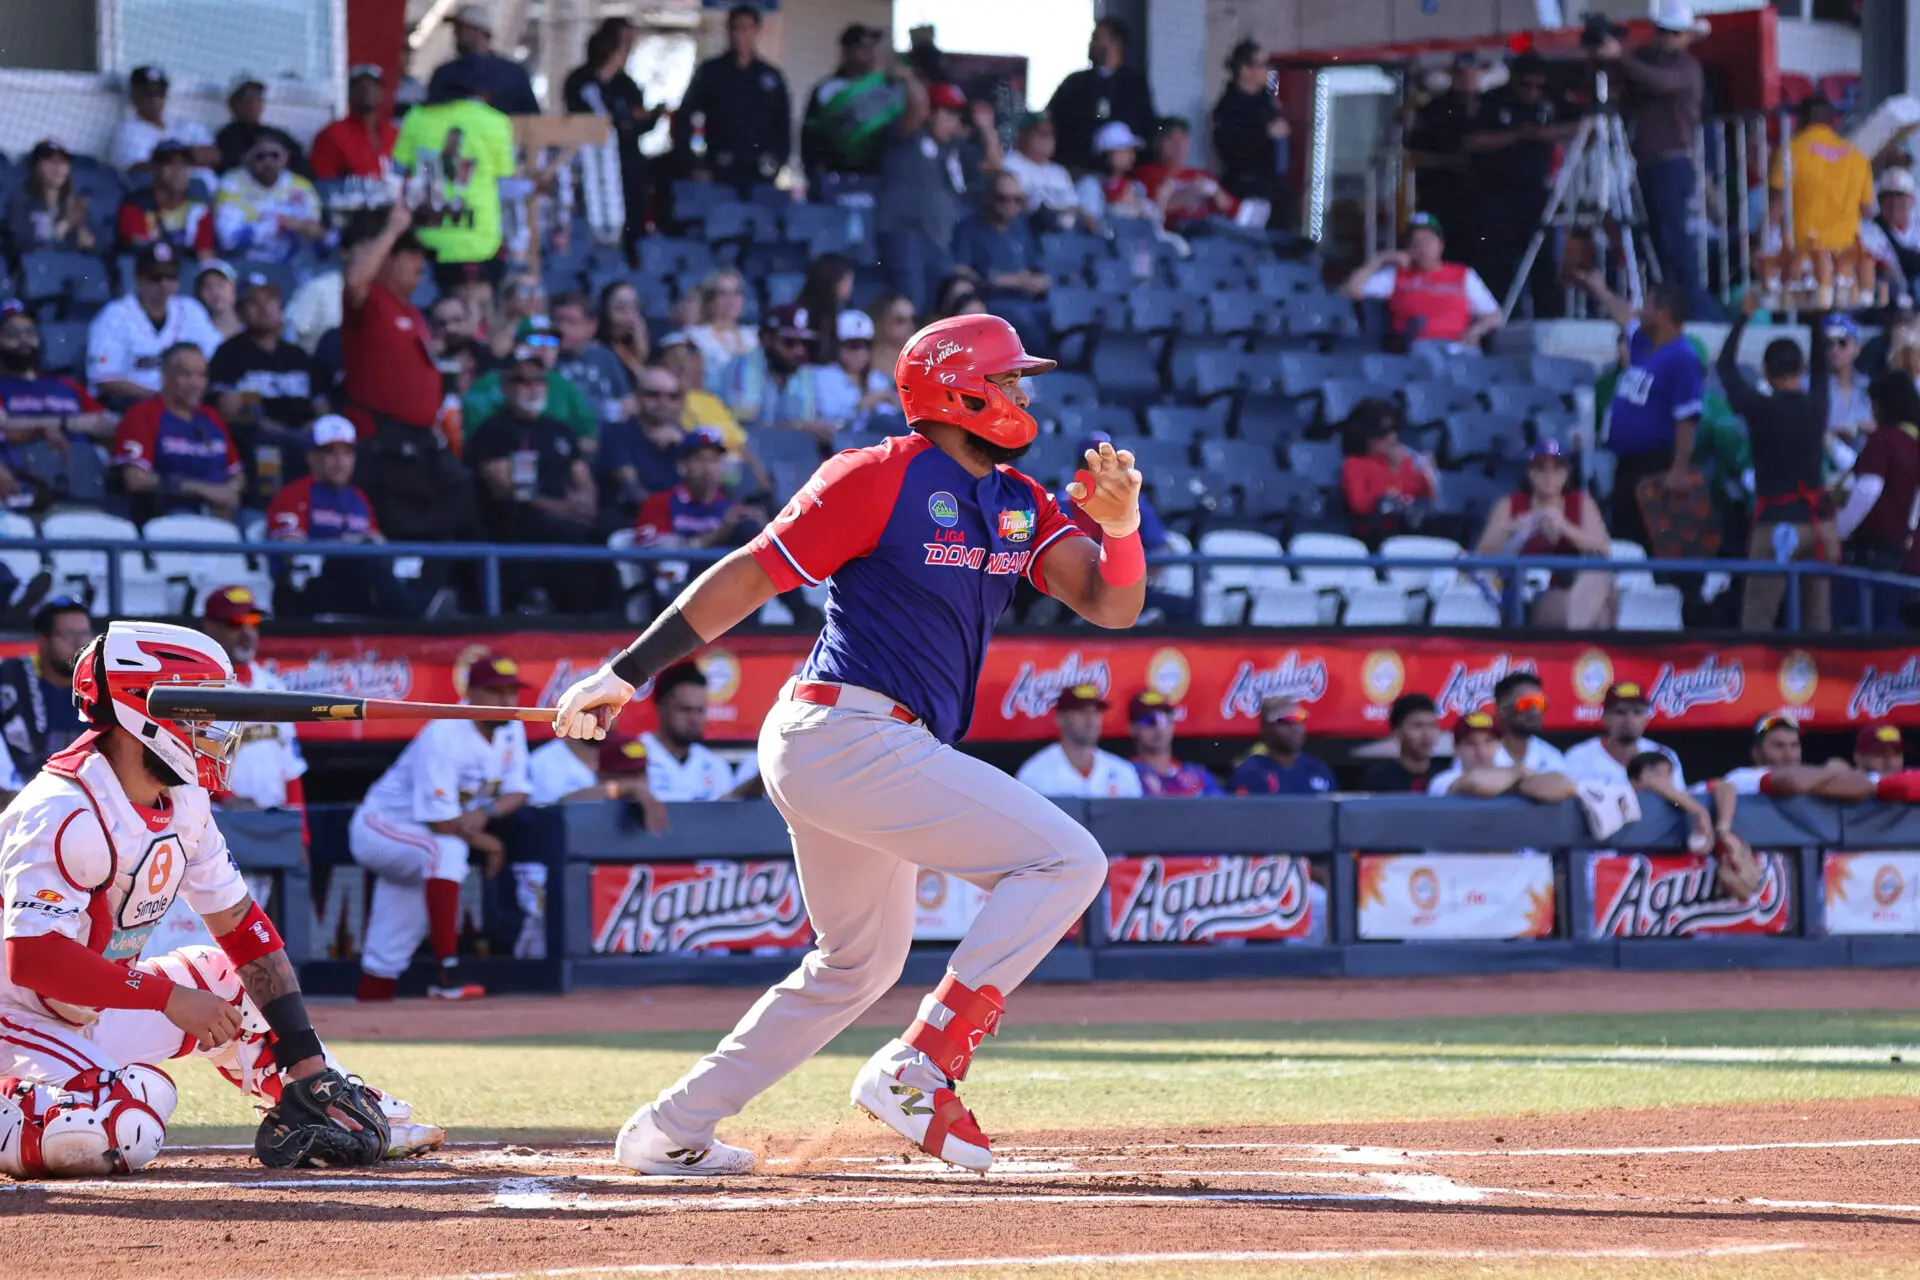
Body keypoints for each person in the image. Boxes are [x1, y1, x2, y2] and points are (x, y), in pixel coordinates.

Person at [547, 312, 1145, 1177]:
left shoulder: (1019, 500)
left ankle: (670, 1128)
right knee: (1068, 862)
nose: (1024, 392)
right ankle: (922, 1062)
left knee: (855, 965)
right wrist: (627, 672)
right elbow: (753, 571)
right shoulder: (878, 474)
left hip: (863, 746)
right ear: (958, 387)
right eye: (1010, 377)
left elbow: (1110, 604)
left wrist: (1121, 529)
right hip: (844, 730)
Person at [0, 620, 427, 1177]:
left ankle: (326, 1098)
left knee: (226, 974)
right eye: (199, 708)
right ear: (141, 711)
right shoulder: (61, 809)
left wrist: (307, 1059)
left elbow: (242, 928)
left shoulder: (186, 801)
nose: (214, 725)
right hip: (14, 1015)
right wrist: (167, 998)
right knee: (128, 1125)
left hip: (86, 1011)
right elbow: (33, 959)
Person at [350, 651, 531, 1002]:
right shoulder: (444, 732)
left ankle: (371, 1009)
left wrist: (485, 814)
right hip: (381, 828)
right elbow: (440, 821)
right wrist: (488, 843)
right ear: (471, 692)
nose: (508, 701)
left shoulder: (512, 728)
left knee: (387, 955)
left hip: (420, 840)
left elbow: (518, 791)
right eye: (497, 692)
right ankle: (447, 972)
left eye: (512, 691)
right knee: (446, 850)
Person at [341, 205, 477, 565]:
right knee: (397, 526)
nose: (420, 263)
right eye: (410, 254)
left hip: (419, 442)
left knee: (458, 497)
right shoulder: (371, 302)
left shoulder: (413, 312)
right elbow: (354, 281)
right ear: (387, 258)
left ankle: (437, 592)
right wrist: (390, 230)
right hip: (381, 441)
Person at [1717, 295, 1837, 632]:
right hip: (1818, 527)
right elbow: (1822, 367)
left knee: (1757, 620)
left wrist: (1742, 317)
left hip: (1775, 524)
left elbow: (1725, 367)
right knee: (1818, 623)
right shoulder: (1817, 405)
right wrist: (1814, 320)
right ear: (1800, 370)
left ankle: (1758, 685)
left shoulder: (1759, 407)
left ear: (1767, 374)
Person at [1594, 1, 1717, 320]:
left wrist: (1619, 56)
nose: (1666, 39)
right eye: (1663, 32)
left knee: (1673, 242)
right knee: (1658, 243)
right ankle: (1673, 310)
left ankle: (1698, 314)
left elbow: (1662, 83)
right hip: (1649, 165)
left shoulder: (1688, 68)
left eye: (1673, 33)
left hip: (1671, 164)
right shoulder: (1648, 64)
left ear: (1688, 36)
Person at [469, 348, 605, 609]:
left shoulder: (559, 429)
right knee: (555, 529)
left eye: (538, 380)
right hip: (520, 517)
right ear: (505, 386)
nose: (531, 387)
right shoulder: (493, 430)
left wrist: (586, 505)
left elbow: (583, 477)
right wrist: (562, 509)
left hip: (568, 512)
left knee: (609, 529)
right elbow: (504, 488)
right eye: (522, 380)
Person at [1580, 276, 1702, 549]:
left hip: (1656, 466)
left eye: (1647, 304)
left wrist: (1679, 469)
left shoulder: (1682, 358)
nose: (1639, 310)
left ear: (1662, 313)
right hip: (1627, 464)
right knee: (1625, 538)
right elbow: (1624, 316)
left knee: (1650, 542)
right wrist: (1599, 288)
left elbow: (1687, 419)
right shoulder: (1644, 346)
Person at [265, 415, 411, 617]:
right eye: (330, 453)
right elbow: (291, 551)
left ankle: (414, 616)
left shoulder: (358, 499)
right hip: (305, 589)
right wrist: (345, 544)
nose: (340, 462)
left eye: (348, 453)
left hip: (356, 586)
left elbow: (378, 542)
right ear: (312, 457)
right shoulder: (294, 494)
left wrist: (363, 544)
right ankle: (414, 616)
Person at [1465, 53, 1572, 313]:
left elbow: (1584, 124)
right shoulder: (1493, 100)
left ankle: (1548, 322)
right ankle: (1497, 322)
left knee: (1545, 263)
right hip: (1498, 193)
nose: (1533, 92)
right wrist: (1517, 136)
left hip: (1537, 193)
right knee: (1497, 265)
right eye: (1527, 85)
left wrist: (1548, 134)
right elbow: (1472, 141)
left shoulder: (1553, 100)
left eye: (1539, 86)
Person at [394, 65, 516, 293]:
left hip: (425, 242)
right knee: (475, 317)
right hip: (479, 243)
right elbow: (505, 184)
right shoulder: (496, 121)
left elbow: (396, 172)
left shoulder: (417, 116)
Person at [1475, 440, 1615, 628]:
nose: (1549, 476)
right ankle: (1581, 645)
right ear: (1530, 472)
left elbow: (1603, 548)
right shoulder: (1511, 504)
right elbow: (1483, 553)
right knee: (1596, 614)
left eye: (1556, 469)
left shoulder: (1581, 503)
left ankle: (1581, 640)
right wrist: (1512, 529)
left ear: (1566, 473)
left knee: (1600, 581)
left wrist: (1565, 527)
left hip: (1576, 585)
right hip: (1531, 594)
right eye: (1541, 469)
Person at [197, 586, 306, 822]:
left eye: (253, 621)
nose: (247, 632)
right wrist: (226, 799)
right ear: (210, 627)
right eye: (235, 623)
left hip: (276, 821)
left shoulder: (275, 687)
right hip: (221, 824)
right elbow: (188, 765)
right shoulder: (196, 690)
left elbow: (292, 773)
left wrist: (302, 838)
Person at [111, 343, 244, 522]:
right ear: (165, 377)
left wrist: (230, 492)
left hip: (219, 512)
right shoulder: (142, 415)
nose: (196, 383)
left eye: (201, 375)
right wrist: (204, 491)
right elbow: (136, 479)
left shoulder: (211, 417)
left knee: (257, 523)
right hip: (168, 514)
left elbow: (236, 473)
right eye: (186, 375)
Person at [564, 17, 663, 252]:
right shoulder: (579, 80)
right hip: (593, 168)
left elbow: (639, 124)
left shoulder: (627, 85)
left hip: (627, 166)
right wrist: (623, 120)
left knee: (632, 224)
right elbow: (584, 121)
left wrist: (650, 117)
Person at [876, 73, 972, 316]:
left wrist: (982, 125)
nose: (954, 122)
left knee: (940, 311)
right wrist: (906, 74)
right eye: (948, 114)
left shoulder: (950, 149)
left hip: (938, 241)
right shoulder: (907, 135)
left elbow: (994, 163)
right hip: (904, 236)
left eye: (957, 116)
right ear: (930, 112)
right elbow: (917, 108)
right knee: (912, 307)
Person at [1767, 94, 1874, 307]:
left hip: (1803, 261)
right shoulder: (1857, 157)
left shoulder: (1791, 151)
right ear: (1832, 121)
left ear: (1800, 121)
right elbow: (1868, 210)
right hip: (1845, 261)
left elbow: (1776, 206)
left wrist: (1762, 246)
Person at [87, 243, 223, 406]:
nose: (164, 285)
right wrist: (161, 399)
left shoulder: (191, 310)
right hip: (132, 406)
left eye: (171, 277)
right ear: (138, 278)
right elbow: (104, 378)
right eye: (155, 277)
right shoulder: (114, 315)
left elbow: (218, 357)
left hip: (187, 405)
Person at [671, 4, 791, 189]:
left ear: (757, 31)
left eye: (746, 28)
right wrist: (693, 163)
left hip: (759, 172)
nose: (740, 35)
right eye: (735, 28)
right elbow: (684, 116)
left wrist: (775, 164)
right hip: (719, 168)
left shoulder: (771, 77)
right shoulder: (711, 72)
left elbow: (783, 126)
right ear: (728, 31)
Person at [1342, 213, 1502, 349]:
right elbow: (1350, 290)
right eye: (1416, 242)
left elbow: (1494, 315)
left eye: (1428, 241)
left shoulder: (1463, 274)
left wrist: (1476, 331)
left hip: (1458, 346)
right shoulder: (1396, 274)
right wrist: (1380, 260)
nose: (1422, 248)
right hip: (1416, 349)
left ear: (1440, 245)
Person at [1835, 374, 1920, 617]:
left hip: (1876, 551)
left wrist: (1839, 530)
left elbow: (1868, 489)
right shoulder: (1914, 441)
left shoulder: (1885, 440)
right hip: (1908, 552)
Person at [208, 273, 324, 444]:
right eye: (254, 302)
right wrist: (264, 424)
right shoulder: (228, 354)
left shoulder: (299, 356)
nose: (264, 308)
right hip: (255, 443)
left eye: (270, 300)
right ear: (239, 312)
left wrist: (309, 429)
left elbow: (322, 408)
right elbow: (227, 409)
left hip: (304, 443)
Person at [463, 317, 596, 446]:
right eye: (535, 340)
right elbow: (472, 432)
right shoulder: (490, 382)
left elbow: (588, 435)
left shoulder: (565, 387)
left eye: (551, 341)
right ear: (516, 346)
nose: (544, 348)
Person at [801, 23, 905, 187]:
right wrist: (814, 176)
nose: (870, 54)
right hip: (834, 177)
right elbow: (809, 137)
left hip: (875, 178)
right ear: (847, 51)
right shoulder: (827, 89)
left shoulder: (884, 89)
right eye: (863, 48)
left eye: (872, 48)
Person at [0, 597, 91, 782]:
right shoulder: (10, 679)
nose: (79, 643)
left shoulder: (104, 685)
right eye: (67, 634)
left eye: (84, 633)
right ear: (42, 640)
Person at [1046, 18, 1156, 170]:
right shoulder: (1075, 82)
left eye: (1097, 38)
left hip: (1123, 173)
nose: (1092, 44)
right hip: (1078, 167)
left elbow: (1145, 126)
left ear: (1116, 43)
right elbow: (1053, 119)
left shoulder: (1135, 85)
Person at [0, 303, 117, 445]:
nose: (24, 339)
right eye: (13, 334)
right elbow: (4, 427)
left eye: (30, 332)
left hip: (81, 460)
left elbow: (107, 423)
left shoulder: (68, 386)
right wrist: (66, 423)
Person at [635, 425, 764, 552]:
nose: (707, 468)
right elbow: (653, 552)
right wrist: (719, 533)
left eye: (714, 460)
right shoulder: (658, 504)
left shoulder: (733, 509)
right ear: (682, 464)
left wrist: (764, 529)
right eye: (700, 459)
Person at [640, 663, 754, 801]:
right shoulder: (632, 760)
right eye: (685, 709)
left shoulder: (716, 766)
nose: (694, 719)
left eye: (700, 710)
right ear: (660, 706)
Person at [720, 305, 832, 439]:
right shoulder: (745, 364)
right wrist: (799, 427)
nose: (799, 350)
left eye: (804, 344)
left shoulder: (801, 370)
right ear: (766, 339)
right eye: (789, 342)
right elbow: (746, 427)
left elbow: (805, 419)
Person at [1404, 54, 1481, 248]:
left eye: (1472, 74)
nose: (1467, 80)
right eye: (1461, 74)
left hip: (1481, 199)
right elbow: (1414, 157)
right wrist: (1449, 161)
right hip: (1441, 195)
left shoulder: (1488, 107)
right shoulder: (1434, 110)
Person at [213, 133, 324, 264]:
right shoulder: (232, 184)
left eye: (275, 156)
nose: (268, 162)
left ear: (286, 157)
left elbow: (313, 230)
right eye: (260, 156)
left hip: (291, 263)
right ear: (245, 158)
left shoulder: (302, 187)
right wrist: (279, 224)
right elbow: (228, 239)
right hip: (244, 262)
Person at [1014, 685, 1142, 798]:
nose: (1090, 719)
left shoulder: (1123, 772)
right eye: (1082, 712)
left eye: (1095, 712)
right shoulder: (1035, 773)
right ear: (1060, 718)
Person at [1340, 399, 1436, 546]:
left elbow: (1423, 495)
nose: (1392, 438)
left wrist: (1426, 470)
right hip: (1374, 534)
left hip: (1406, 531)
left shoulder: (1405, 462)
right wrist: (1389, 497)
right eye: (1383, 433)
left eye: (1393, 431)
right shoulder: (1355, 464)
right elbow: (1359, 504)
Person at [1427, 708, 1576, 802]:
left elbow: (1565, 786)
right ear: (1456, 748)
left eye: (1488, 742)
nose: (1481, 751)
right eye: (1471, 743)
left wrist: (1521, 780)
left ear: (1499, 744)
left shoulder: (1510, 776)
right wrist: (1519, 773)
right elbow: (1476, 783)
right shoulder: (1442, 780)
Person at [1211, 39, 1289, 217]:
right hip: (1245, 188)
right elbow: (1229, 147)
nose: (1267, 71)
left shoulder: (1268, 102)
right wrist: (1264, 134)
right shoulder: (1229, 106)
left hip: (1275, 189)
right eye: (1262, 65)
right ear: (1245, 70)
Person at [1561, 681, 1685, 788]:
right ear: (1605, 717)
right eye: (1620, 712)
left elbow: (1678, 805)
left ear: (1646, 719)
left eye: (1637, 712)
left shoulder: (1665, 755)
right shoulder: (1578, 757)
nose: (1629, 719)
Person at [427, 3, 540, 116]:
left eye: (461, 28)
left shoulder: (513, 74)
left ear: (479, 30)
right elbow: (430, 114)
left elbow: (532, 118)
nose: (456, 33)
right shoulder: (444, 73)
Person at [110, 65, 218, 178]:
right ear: (134, 96)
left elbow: (215, 155)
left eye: (160, 93)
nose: (155, 99)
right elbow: (134, 169)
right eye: (148, 94)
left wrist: (172, 159)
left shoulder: (183, 125)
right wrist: (187, 158)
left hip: (207, 191)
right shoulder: (128, 131)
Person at [115, 138, 217, 257]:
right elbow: (136, 249)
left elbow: (205, 256)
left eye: (185, 164)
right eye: (170, 164)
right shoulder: (136, 205)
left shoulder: (198, 210)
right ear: (155, 168)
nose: (179, 171)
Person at [550, 291, 632, 435]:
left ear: (591, 326)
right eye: (557, 320)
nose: (561, 329)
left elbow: (627, 402)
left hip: (609, 437)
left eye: (571, 322)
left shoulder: (606, 357)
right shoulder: (544, 358)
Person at [1135, 117, 1238, 231]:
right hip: (1173, 235)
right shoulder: (1146, 174)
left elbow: (1235, 211)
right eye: (1171, 139)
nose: (1178, 146)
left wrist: (1216, 193)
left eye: (1183, 139)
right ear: (1158, 143)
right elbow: (1145, 214)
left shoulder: (1201, 175)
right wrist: (1183, 198)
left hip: (1208, 232)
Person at [1229, 695, 1335, 795]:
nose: (1294, 727)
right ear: (1265, 728)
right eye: (1285, 720)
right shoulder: (1249, 773)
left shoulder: (1319, 771)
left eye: (1300, 718)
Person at [4, 138, 93, 255]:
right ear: (36, 166)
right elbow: (26, 248)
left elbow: (87, 249)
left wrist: (82, 232)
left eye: (63, 162)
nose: (58, 168)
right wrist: (65, 225)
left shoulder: (72, 205)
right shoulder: (20, 202)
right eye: (51, 161)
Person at [309, 64, 397, 182]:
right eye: (359, 85)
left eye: (374, 84)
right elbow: (324, 184)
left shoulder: (394, 134)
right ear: (348, 92)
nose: (367, 89)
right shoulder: (332, 134)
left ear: (382, 92)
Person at [812, 311, 895, 432]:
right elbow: (829, 421)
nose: (861, 352)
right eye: (854, 345)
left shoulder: (877, 379)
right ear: (838, 346)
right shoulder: (823, 378)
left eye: (867, 345)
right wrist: (861, 406)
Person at [1130, 692, 1222, 796]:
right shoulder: (1126, 773)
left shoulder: (1197, 775)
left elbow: (1222, 810)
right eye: (1149, 721)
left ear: (1173, 725)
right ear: (1132, 728)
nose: (1159, 729)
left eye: (1165, 720)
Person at [1001, 113, 1081, 230]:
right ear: (1023, 135)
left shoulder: (1059, 172)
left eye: (1051, 134)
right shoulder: (1009, 163)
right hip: (1022, 230)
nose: (1047, 139)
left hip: (1058, 236)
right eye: (1041, 133)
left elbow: (1074, 207)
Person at [214, 77, 307, 177]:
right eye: (246, 98)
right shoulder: (226, 138)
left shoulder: (277, 135)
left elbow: (302, 166)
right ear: (233, 104)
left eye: (257, 97)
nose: (253, 104)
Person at [686, 269, 759, 389]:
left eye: (736, 293)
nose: (731, 300)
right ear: (710, 300)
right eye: (723, 294)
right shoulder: (695, 337)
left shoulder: (754, 335)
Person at [1075, 121, 1154, 231]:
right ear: (1107, 153)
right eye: (1125, 150)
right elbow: (1090, 225)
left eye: (1131, 150)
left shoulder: (1135, 186)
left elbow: (1152, 222)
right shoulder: (1090, 184)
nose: (1131, 155)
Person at [1859, 167, 1920, 302]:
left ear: (1911, 200)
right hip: (1888, 303)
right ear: (1880, 202)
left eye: (1900, 196)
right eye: (1888, 197)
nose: (1894, 203)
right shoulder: (1869, 232)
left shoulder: (1917, 229)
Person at [1360, 693, 1441, 792]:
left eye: (1432, 726)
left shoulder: (1443, 776)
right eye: (1417, 726)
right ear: (1397, 732)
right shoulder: (1379, 779)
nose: (1427, 734)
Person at [1490, 671, 1567, 772]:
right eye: (1527, 703)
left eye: (1540, 703)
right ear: (1502, 710)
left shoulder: (1551, 757)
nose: (1535, 712)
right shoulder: (1481, 753)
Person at [1824, 314, 1873, 464]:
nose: (1835, 350)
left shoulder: (1868, 386)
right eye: (1828, 344)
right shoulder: (1809, 386)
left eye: (1842, 343)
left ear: (1856, 348)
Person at [867, 293, 918, 388]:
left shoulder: (922, 361)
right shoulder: (863, 360)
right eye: (900, 321)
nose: (910, 327)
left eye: (913, 319)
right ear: (881, 323)